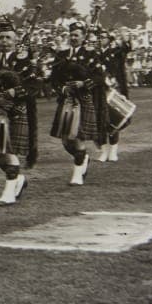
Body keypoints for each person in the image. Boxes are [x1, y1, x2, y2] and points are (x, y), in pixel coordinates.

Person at [0, 17, 41, 206]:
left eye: (8, 38)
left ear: (15, 40)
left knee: (9, 149)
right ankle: (18, 179)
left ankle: (9, 191)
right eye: (2, 37)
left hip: (17, 110)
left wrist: (14, 92)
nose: (4, 41)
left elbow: (34, 84)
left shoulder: (24, 61)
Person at [48, 21, 108, 186]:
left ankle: (77, 175)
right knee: (66, 141)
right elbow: (53, 78)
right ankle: (83, 158)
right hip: (66, 100)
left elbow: (99, 77)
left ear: (83, 37)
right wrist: (61, 88)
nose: (73, 38)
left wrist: (84, 84)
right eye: (72, 34)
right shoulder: (62, 54)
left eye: (77, 35)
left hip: (83, 99)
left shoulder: (91, 54)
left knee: (78, 136)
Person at [95, 28, 131, 162]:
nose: (101, 40)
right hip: (98, 89)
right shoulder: (94, 53)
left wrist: (125, 39)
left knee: (113, 121)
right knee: (99, 122)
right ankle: (104, 151)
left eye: (103, 37)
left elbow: (125, 49)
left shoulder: (115, 52)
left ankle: (113, 151)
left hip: (112, 90)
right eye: (99, 37)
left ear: (108, 40)